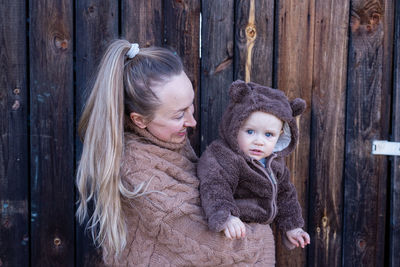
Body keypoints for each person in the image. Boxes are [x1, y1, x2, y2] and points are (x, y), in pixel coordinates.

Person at [76, 39, 279, 266]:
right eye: (179, 115)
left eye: (190, 105)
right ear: (140, 120)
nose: (192, 121)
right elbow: (216, 244)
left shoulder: (164, 141)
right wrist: (263, 235)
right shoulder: (138, 169)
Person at [198, 80, 310, 251]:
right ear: (235, 126)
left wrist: (292, 226)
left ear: (281, 134)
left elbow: (285, 194)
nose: (259, 141)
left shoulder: (274, 162)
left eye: (269, 135)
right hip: (231, 230)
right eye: (250, 131)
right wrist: (226, 216)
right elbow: (214, 186)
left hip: (260, 232)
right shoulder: (224, 157)